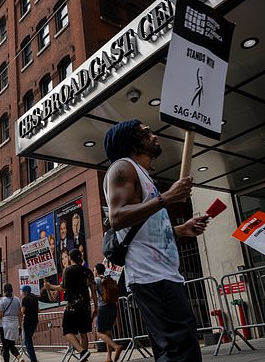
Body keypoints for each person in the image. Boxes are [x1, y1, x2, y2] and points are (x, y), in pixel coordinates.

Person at [103, 119, 208, 362]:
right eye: (146, 132)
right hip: (151, 276)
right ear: (132, 141)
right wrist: (168, 197)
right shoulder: (122, 168)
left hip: (164, 273)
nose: (154, 135)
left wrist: (181, 230)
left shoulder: (141, 174)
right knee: (178, 350)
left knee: (179, 346)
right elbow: (117, 217)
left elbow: (148, 228)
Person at [44, 248, 97, 362]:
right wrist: (95, 306)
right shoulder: (88, 271)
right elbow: (93, 289)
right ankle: (84, 358)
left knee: (67, 331)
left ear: (70, 258)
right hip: (86, 306)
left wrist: (51, 286)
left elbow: (63, 287)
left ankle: (82, 351)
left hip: (73, 306)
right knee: (83, 333)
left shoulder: (68, 270)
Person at [94, 263, 123, 362]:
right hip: (112, 307)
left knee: (99, 332)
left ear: (97, 271)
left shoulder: (97, 280)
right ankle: (108, 357)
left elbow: (92, 294)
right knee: (108, 332)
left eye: (94, 270)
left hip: (103, 307)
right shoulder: (109, 279)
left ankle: (116, 346)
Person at [0, 283, 21, 362]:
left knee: (5, 347)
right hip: (14, 323)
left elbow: (0, 314)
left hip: (4, 325)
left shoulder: (2, 301)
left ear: (4, 290)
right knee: (12, 344)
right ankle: (19, 358)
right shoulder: (17, 300)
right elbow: (20, 313)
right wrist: (20, 325)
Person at [20, 285, 39, 362]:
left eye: (22, 291)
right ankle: (32, 358)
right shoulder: (35, 298)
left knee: (28, 341)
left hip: (28, 321)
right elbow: (39, 310)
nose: (22, 293)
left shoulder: (25, 299)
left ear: (25, 292)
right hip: (35, 321)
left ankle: (33, 359)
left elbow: (22, 311)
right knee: (28, 340)